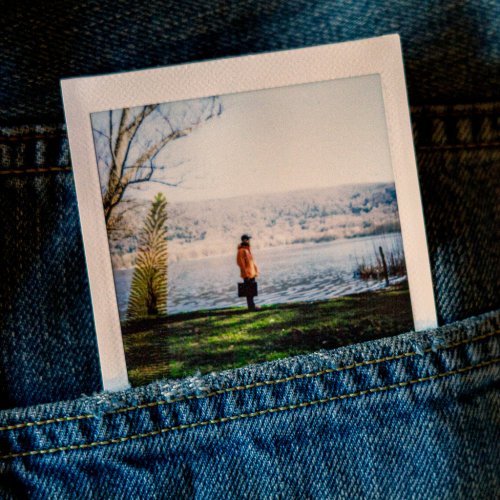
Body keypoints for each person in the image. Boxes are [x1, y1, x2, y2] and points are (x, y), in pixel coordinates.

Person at [236, 234, 259, 311]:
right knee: (249, 292)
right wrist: (246, 274)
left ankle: (252, 306)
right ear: (244, 240)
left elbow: (251, 262)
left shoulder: (247, 249)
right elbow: (240, 263)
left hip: (251, 274)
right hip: (247, 275)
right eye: (248, 239)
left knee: (251, 291)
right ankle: (251, 307)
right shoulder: (241, 251)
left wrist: (255, 271)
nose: (249, 241)